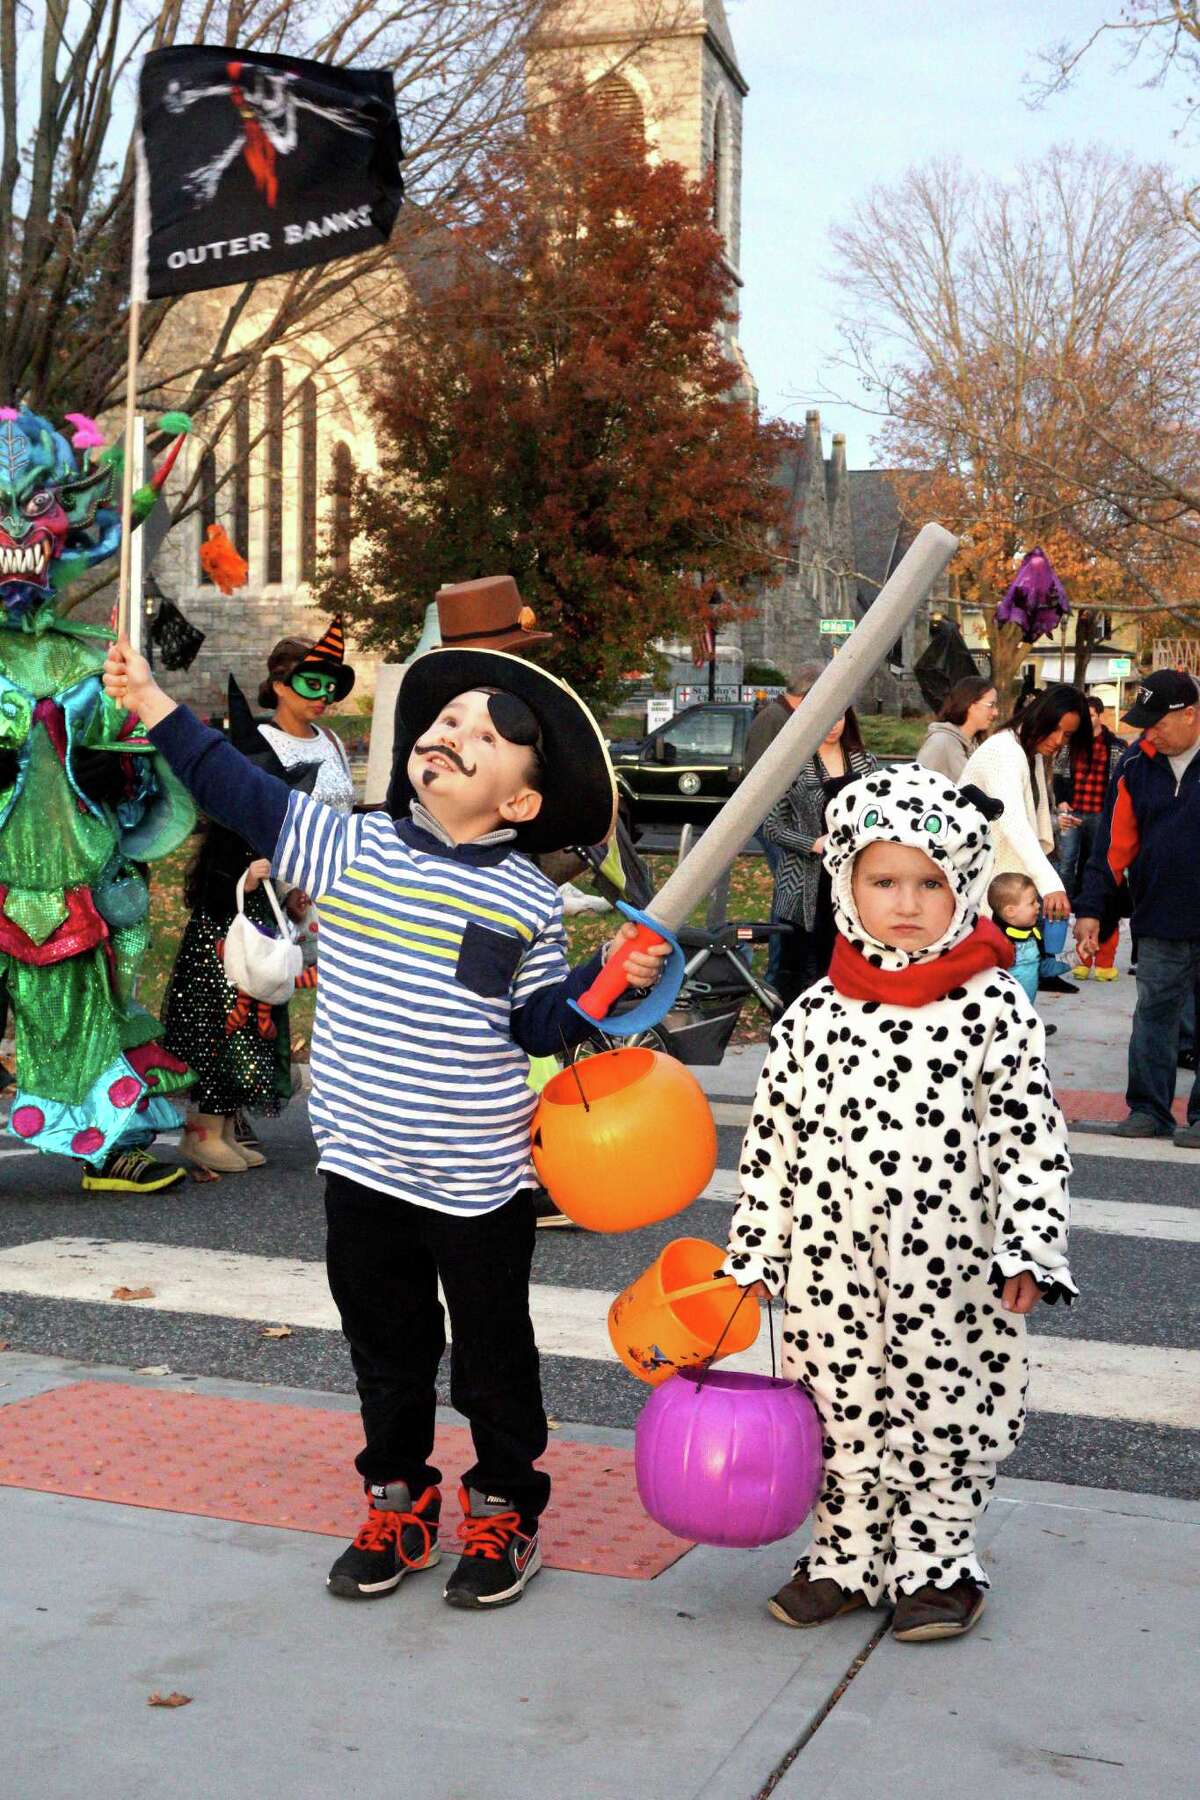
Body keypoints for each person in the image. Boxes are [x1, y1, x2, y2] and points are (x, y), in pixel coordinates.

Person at [103, 631, 667, 1612]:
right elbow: (234, 787)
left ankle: (505, 1508)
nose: (450, 733)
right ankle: (397, 1500)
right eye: (445, 719)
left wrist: (609, 979)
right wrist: (152, 701)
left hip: (477, 1179)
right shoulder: (346, 842)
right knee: (387, 1355)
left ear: (521, 801)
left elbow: (538, 1024)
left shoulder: (531, 901)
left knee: (493, 1365)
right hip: (362, 1168)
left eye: (484, 737)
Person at [724, 763, 1074, 1642]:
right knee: (834, 1396)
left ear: (961, 886)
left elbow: (1028, 1132)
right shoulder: (816, 1015)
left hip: (952, 1259)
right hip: (828, 1260)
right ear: (846, 881)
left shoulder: (992, 1006)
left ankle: (936, 1558)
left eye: (929, 882)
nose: (907, 903)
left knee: (947, 1400)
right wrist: (760, 1247)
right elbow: (774, 1143)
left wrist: (1029, 1241)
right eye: (883, 881)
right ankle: (842, 1554)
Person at [163, 630, 357, 1175]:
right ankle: (203, 1131)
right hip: (247, 894)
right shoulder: (258, 742)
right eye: (309, 683)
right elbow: (230, 816)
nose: (321, 695)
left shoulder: (332, 742)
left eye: (330, 686)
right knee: (224, 1009)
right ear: (279, 685)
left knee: (261, 1010)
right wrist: (244, 880)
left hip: (300, 901)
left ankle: (224, 1125)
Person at [1074, 670, 1200, 1146]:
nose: (1150, 732)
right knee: (1154, 1015)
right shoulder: (1135, 764)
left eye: (1157, 723)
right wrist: (1092, 908)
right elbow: (1112, 846)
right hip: (1160, 916)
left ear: (1189, 714)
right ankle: (1148, 1110)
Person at [960, 685, 1089, 993]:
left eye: (1068, 735)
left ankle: (1015, 1027)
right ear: (1039, 717)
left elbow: (1031, 824)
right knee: (987, 982)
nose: (1058, 741)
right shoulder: (1004, 751)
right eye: (1055, 730)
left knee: (1010, 973)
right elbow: (1013, 821)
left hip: (1002, 888)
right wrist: (1051, 884)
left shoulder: (1026, 753)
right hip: (982, 889)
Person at [760, 707, 876, 1005]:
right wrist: (813, 843)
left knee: (845, 965)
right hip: (803, 883)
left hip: (850, 879)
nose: (832, 725)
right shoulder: (794, 765)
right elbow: (772, 826)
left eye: (838, 717)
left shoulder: (866, 763)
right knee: (797, 970)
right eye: (825, 717)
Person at [744, 664, 823, 995]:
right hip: (775, 820)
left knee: (792, 893)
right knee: (788, 895)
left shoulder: (784, 718)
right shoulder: (774, 720)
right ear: (808, 694)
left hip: (788, 820)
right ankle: (779, 974)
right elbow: (766, 779)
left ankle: (790, 968)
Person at [1053, 695, 1123, 981]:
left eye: (1092, 715)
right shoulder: (1071, 744)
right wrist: (1062, 802)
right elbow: (1059, 773)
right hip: (1074, 810)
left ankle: (1091, 910)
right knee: (1067, 861)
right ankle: (1067, 905)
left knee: (1097, 863)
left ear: (1100, 716)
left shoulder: (1116, 747)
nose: (1088, 720)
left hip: (1101, 813)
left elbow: (1120, 782)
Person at [915, 677, 998, 782]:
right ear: (970, 704)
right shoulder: (941, 742)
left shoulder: (975, 745)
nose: (996, 712)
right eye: (991, 705)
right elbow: (918, 785)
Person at [988, 871, 1045, 1012]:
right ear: (1010, 911)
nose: (1038, 906)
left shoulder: (1034, 935)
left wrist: (1077, 957)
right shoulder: (997, 942)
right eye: (1032, 903)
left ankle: (1028, 1027)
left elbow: (1046, 967)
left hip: (1024, 1013)